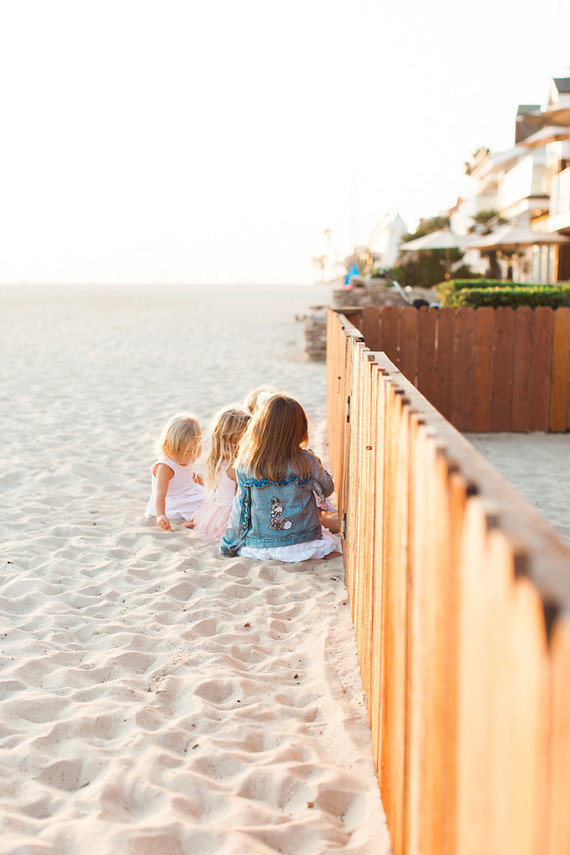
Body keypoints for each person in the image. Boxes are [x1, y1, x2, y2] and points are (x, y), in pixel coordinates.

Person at [221, 394, 341, 561]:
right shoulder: (307, 461)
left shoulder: (246, 464)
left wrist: (230, 542)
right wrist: (316, 464)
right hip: (303, 541)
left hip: (262, 544)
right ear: (300, 429)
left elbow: (240, 508)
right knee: (330, 544)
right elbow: (327, 490)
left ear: (260, 427)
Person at [188, 406, 251, 542]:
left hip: (216, 511)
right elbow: (242, 497)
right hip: (230, 513)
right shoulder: (236, 467)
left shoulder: (219, 461)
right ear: (234, 439)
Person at [145, 413, 204, 530]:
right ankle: (190, 522)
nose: (188, 454)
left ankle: (195, 519)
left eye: (192, 450)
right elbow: (159, 493)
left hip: (189, 492)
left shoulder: (188, 457)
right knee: (199, 507)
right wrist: (160, 515)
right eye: (185, 450)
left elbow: (190, 475)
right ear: (170, 445)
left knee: (212, 499)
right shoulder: (165, 467)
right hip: (173, 500)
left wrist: (205, 483)